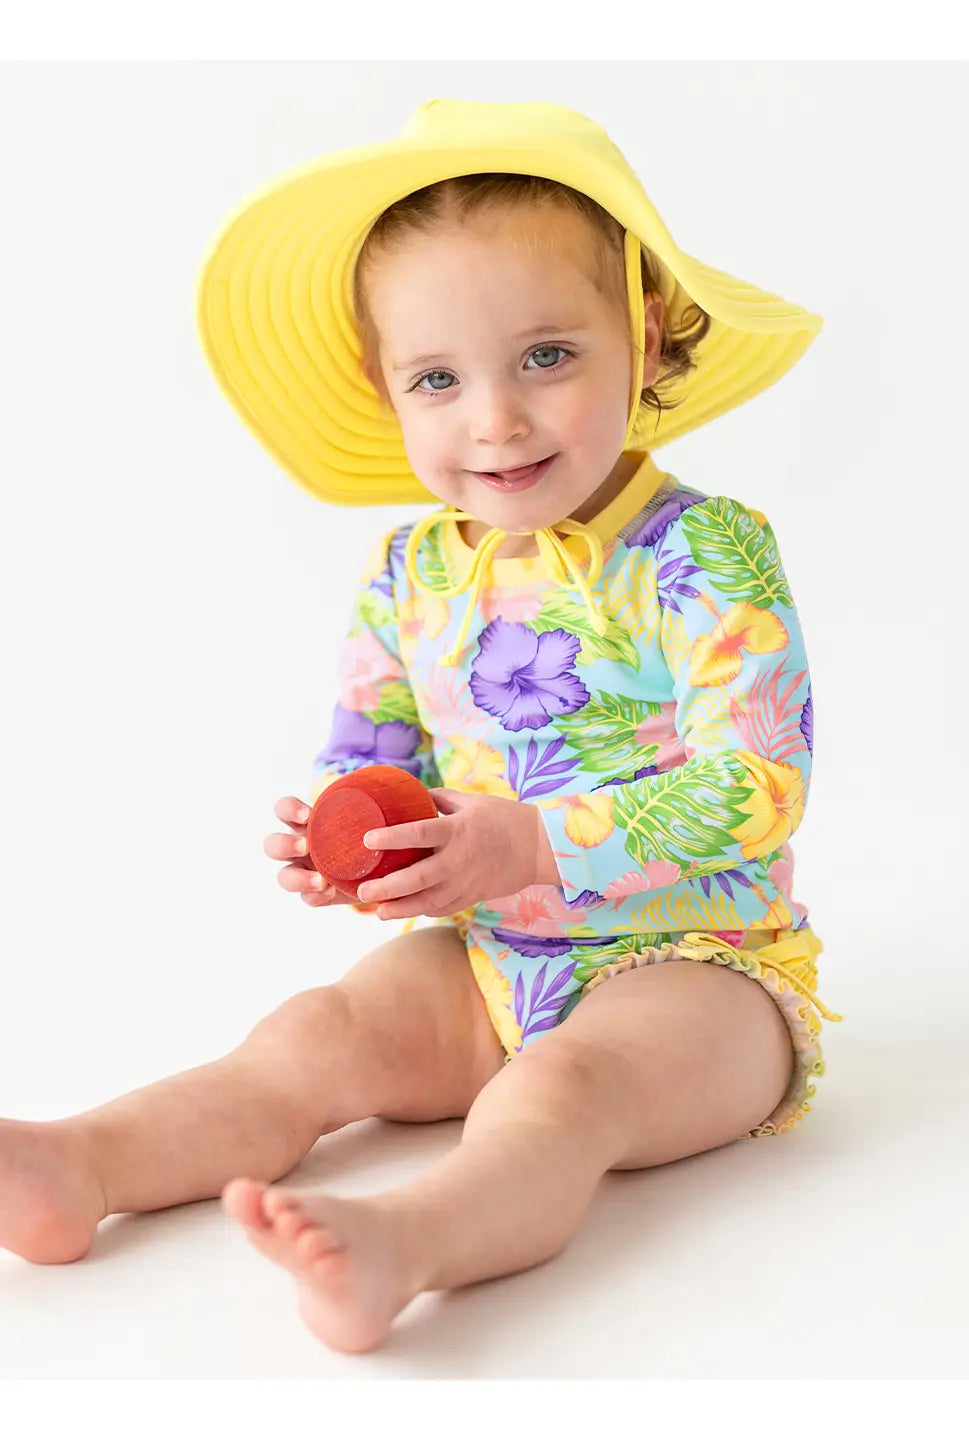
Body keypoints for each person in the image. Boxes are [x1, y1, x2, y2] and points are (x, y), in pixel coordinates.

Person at [0, 99, 843, 1354]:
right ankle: (83, 1161)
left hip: (703, 971)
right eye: (438, 379)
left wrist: (527, 843)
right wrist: (345, 836)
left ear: (645, 333)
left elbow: (759, 779)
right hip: (488, 958)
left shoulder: (705, 550)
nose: (494, 419)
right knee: (315, 1034)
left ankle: (409, 1240)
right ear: (384, 386)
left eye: (547, 357)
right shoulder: (411, 570)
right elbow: (373, 754)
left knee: (565, 1091)